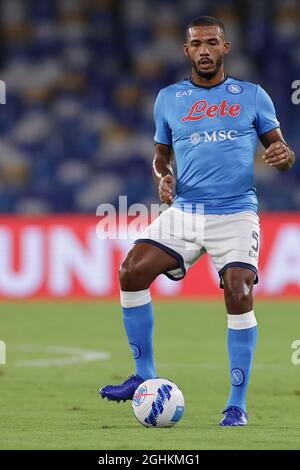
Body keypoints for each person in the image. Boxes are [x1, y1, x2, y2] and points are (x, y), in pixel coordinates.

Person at [99, 16, 295, 426]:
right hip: (186, 212)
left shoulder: (253, 96)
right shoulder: (168, 98)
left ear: (226, 48)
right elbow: (159, 155)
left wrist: (283, 156)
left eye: (212, 42)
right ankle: (144, 375)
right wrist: (162, 176)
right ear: (186, 51)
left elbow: (279, 150)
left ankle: (237, 404)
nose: (204, 49)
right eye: (196, 44)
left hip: (236, 213)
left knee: (238, 291)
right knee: (130, 271)